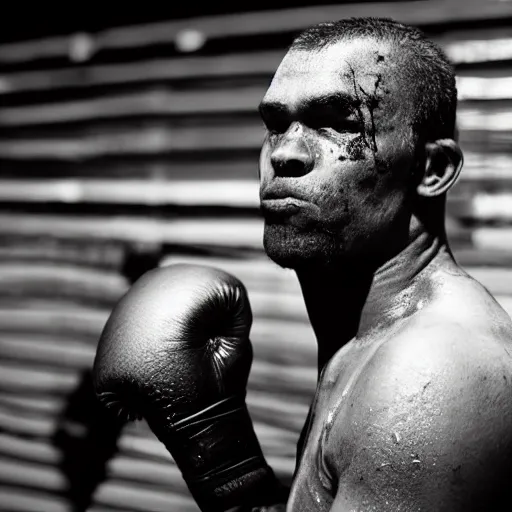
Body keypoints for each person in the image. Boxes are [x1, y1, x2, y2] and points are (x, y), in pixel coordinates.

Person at [93, 17, 512, 511]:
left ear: (432, 170)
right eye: (274, 125)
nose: (285, 152)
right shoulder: (369, 343)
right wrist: (231, 475)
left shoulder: (431, 371)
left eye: (339, 122)